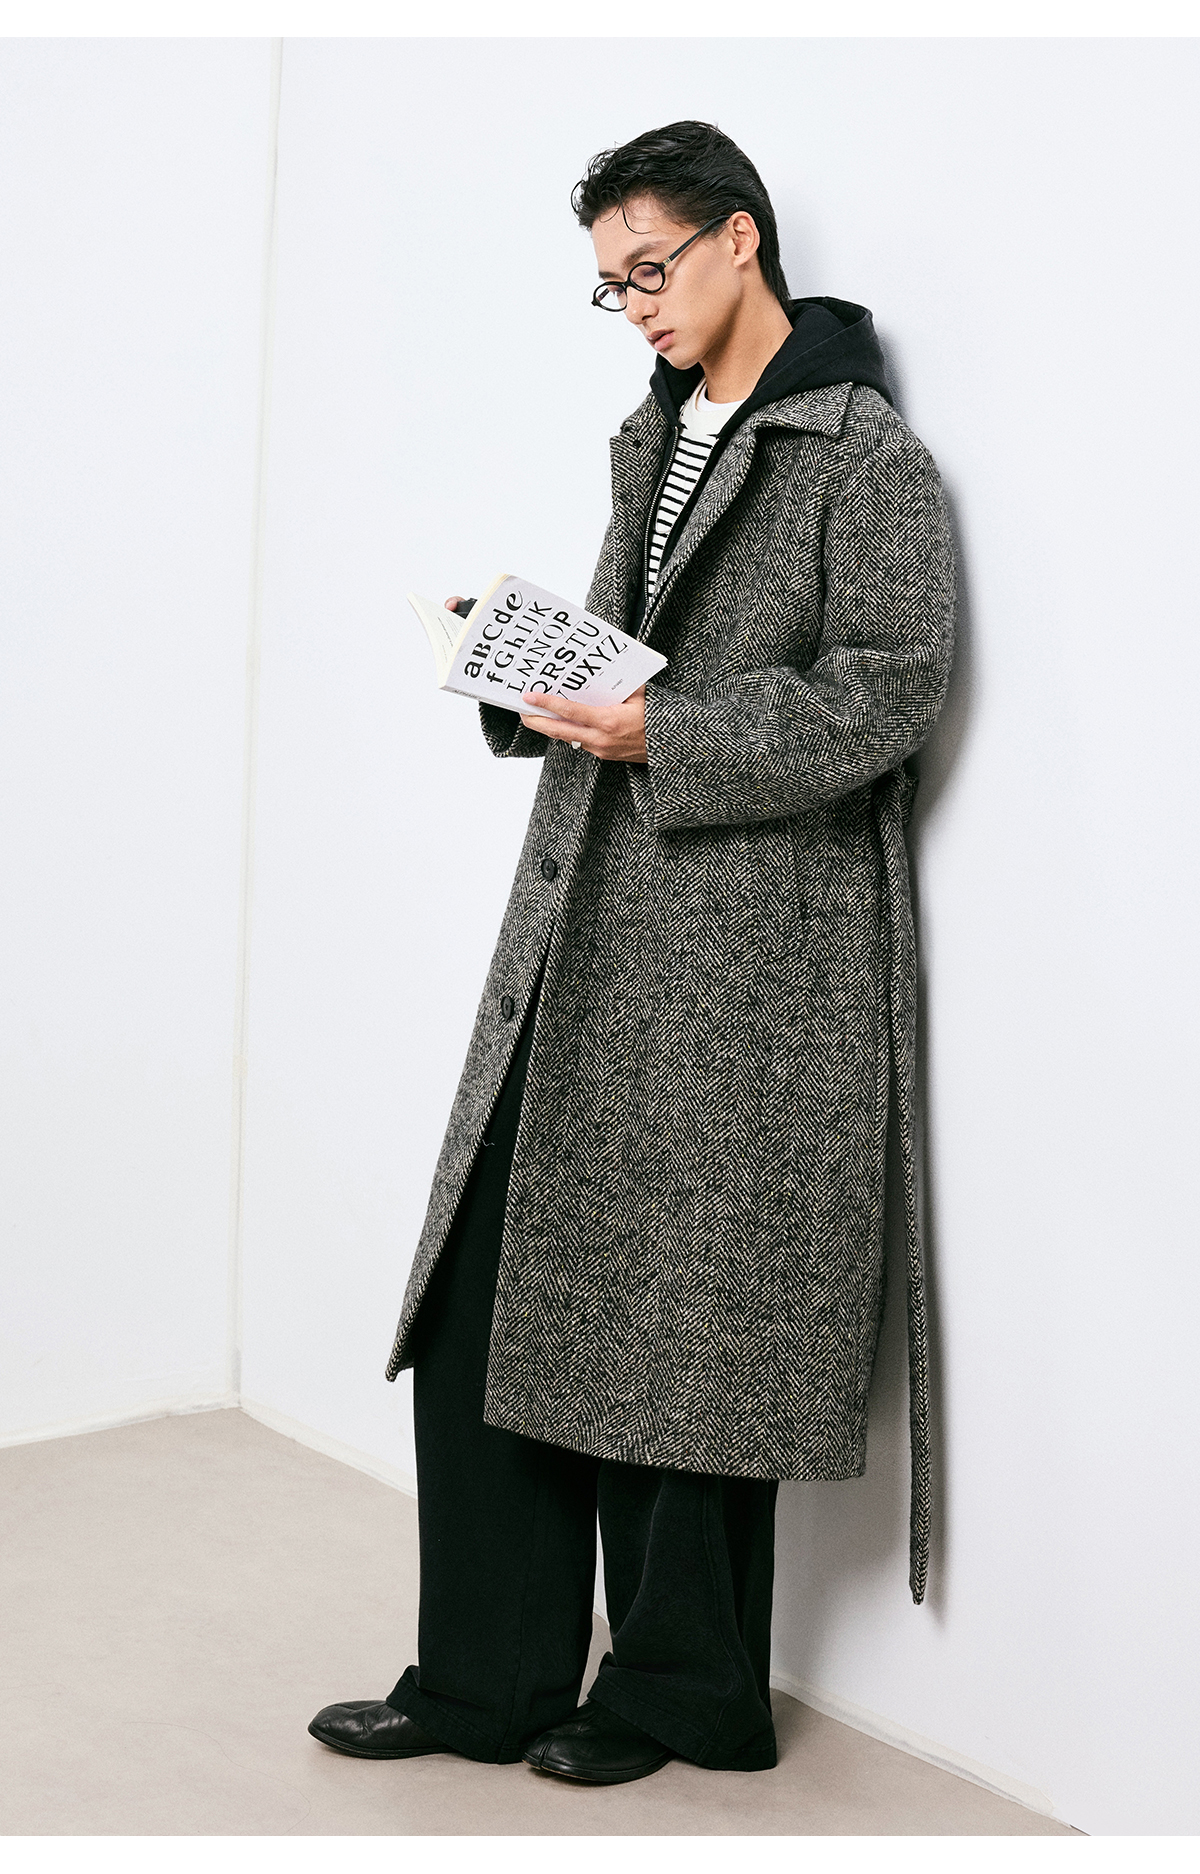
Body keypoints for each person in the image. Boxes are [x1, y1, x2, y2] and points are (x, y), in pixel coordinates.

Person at [309, 119, 955, 1785]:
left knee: (690, 1328)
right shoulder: (655, 432)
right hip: (593, 912)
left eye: (650, 267)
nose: (636, 304)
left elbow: (891, 687)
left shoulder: (862, 454)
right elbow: (642, 661)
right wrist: (533, 675)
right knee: (494, 1286)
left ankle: (680, 1691)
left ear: (742, 238)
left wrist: (668, 730)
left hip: (749, 952)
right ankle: (488, 1679)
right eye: (611, 285)